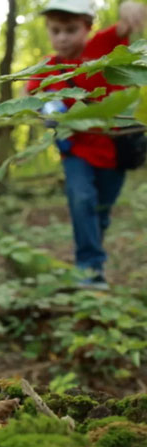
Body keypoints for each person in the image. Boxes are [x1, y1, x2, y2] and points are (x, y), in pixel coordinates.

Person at [26, 0, 146, 289]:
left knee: (100, 211)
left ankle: (93, 253)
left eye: (71, 29)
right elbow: (30, 95)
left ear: (87, 27)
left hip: (114, 151)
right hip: (76, 152)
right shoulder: (48, 68)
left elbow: (129, 23)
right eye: (56, 30)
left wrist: (130, 5)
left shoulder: (102, 47)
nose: (63, 37)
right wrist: (46, 110)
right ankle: (89, 271)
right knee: (81, 200)